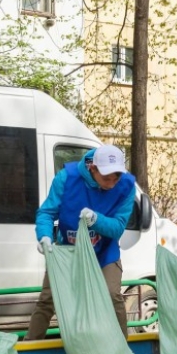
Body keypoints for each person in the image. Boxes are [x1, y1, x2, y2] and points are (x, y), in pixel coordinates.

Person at [26, 145, 135, 340]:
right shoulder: (67, 178)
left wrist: (96, 220)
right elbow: (47, 212)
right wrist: (44, 236)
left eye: (116, 178)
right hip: (68, 249)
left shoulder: (126, 185)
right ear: (92, 168)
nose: (112, 184)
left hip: (104, 252)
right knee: (48, 299)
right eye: (106, 178)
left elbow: (118, 227)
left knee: (112, 295)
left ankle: (122, 350)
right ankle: (28, 348)